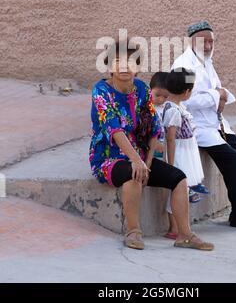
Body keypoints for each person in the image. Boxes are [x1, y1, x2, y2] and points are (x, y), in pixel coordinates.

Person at [89, 41, 214, 251]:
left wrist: (146, 161)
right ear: (109, 67)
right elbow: (115, 130)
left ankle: (184, 234)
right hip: (109, 158)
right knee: (133, 174)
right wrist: (137, 162)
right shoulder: (101, 91)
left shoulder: (141, 89)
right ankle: (133, 231)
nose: (123, 67)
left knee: (178, 178)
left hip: (140, 157)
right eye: (117, 62)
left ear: (137, 67)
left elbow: (154, 127)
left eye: (129, 62)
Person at [172, 21, 236, 231]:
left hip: (215, 124)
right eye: (203, 41)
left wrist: (219, 94)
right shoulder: (184, 66)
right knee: (235, 159)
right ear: (191, 41)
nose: (207, 46)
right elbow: (187, 100)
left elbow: (217, 87)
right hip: (198, 128)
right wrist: (218, 95)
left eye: (210, 41)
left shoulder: (207, 61)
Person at [162, 68, 208, 239]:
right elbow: (171, 138)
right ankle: (174, 227)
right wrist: (171, 164)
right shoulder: (173, 110)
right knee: (177, 190)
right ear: (187, 92)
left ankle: (179, 226)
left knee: (184, 190)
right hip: (180, 155)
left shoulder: (179, 106)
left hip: (186, 152)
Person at [149, 71, 169, 159]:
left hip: (165, 147)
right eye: (157, 95)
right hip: (150, 147)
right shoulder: (147, 107)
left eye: (165, 97)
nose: (161, 99)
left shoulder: (169, 107)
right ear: (150, 90)